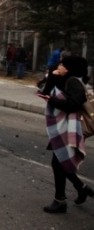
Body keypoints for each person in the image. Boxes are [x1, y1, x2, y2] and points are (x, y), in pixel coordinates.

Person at [37, 56, 92, 213]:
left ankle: (60, 200)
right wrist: (52, 77)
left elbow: (73, 104)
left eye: (62, 64)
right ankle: (81, 188)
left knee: (59, 162)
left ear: (68, 68)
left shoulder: (74, 82)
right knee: (60, 161)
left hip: (70, 127)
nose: (59, 66)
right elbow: (45, 92)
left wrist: (53, 101)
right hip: (62, 127)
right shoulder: (64, 80)